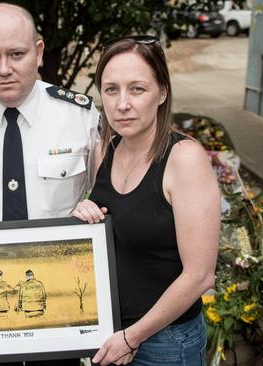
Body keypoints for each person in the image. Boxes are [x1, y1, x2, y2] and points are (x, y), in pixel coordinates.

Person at [72, 35, 221, 365]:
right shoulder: (104, 151)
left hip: (165, 343)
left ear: (162, 92)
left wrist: (133, 336)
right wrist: (83, 214)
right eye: (111, 89)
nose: (122, 103)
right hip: (111, 336)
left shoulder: (184, 159)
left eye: (137, 89)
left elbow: (200, 275)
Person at [0, 2, 100, 224]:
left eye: (16, 54)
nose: (4, 69)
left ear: (38, 53)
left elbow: (108, 197)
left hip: (62, 256)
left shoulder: (80, 115)